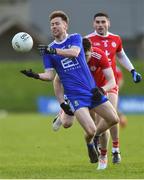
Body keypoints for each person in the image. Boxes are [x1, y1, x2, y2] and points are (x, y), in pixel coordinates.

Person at [20, 10, 119, 167]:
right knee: (90, 130)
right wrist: (35, 75)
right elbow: (50, 76)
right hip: (75, 96)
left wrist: (54, 51)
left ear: (65, 25)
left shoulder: (75, 38)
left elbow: (74, 53)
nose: (54, 26)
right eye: (52, 24)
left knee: (114, 119)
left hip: (92, 91)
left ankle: (95, 138)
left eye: (57, 23)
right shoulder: (49, 51)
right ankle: (89, 143)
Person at [86, 12, 142, 166]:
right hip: (94, 86)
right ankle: (104, 153)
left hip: (110, 84)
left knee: (111, 115)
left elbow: (122, 56)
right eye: (97, 22)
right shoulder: (87, 40)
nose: (100, 24)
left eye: (103, 22)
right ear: (93, 24)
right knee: (101, 120)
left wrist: (132, 70)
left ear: (108, 23)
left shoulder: (115, 39)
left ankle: (114, 149)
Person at [53, 38, 117, 170]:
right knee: (67, 124)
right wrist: (61, 103)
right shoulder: (72, 57)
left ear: (91, 51)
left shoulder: (99, 55)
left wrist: (102, 90)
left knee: (107, 122)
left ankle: (103, 156)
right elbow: (57, 80)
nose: (84, 59)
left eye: (86, 55)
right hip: (77, 93)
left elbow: (112, 81)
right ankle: (62, 114)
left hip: (96, 91)